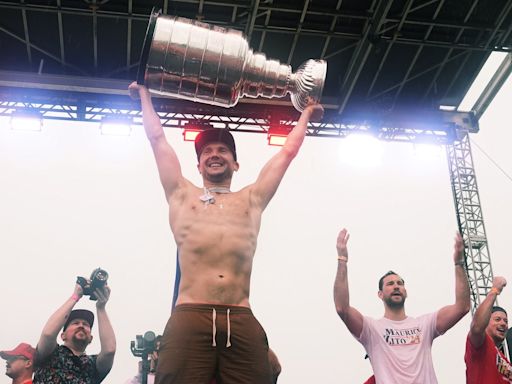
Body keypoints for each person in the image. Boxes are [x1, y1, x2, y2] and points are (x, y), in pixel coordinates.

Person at [129, 81, 322, 384]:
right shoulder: (182, 195)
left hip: (240, 315)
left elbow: (286, 153)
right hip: (191, 313)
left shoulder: (251, 199)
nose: (214, 154)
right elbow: (157, 139)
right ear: (198, 164)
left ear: (235, 162)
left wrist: (307, 113)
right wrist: (144, 95)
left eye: (222, 150)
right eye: (207, 151)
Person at [333, 228, 470, 383]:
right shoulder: (372, 329)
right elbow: (342, 308)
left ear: (406, 292)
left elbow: (462, 307)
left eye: (400, 283)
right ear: (380, 294)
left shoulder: (425, 324)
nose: (396, 286)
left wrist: (459, 263)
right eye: (390, 284)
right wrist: (342, 260)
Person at [33, 282, 116, 384]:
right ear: (63, 336)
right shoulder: (50, 353)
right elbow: (48, 334)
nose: (81, 326)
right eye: (75, 323)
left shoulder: (93, 365)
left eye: (85, 324)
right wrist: (75, 296)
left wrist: (101, 307)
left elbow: (109, 351)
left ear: (90, 338)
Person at [465, 276, 512, 382]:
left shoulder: (505, 361)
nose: (503, 323)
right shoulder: (480, 345)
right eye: (497, 319)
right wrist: (494, 290)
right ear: (486, 322)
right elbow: (477, 328)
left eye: (506, 321)